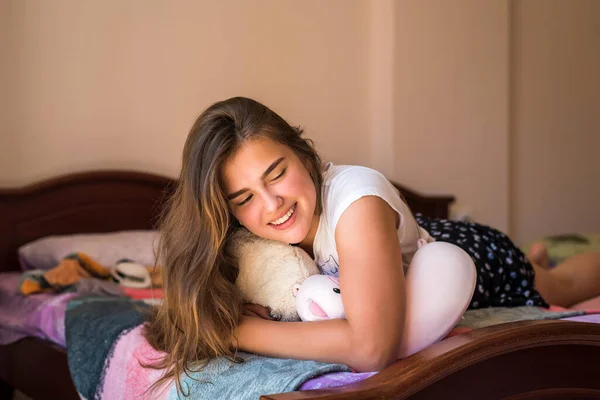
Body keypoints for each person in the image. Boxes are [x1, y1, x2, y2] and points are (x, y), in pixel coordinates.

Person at [144, 96, 600, 394]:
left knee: (560, 283)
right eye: (243, 198)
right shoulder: (241, 239)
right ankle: (539, 252)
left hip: (463, 256)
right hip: (405, 238)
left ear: (305, 154)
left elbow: (370, 348)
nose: (271, 205)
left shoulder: (356, 197)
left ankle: (538, 260)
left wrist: (237, 331)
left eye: (277, 173)